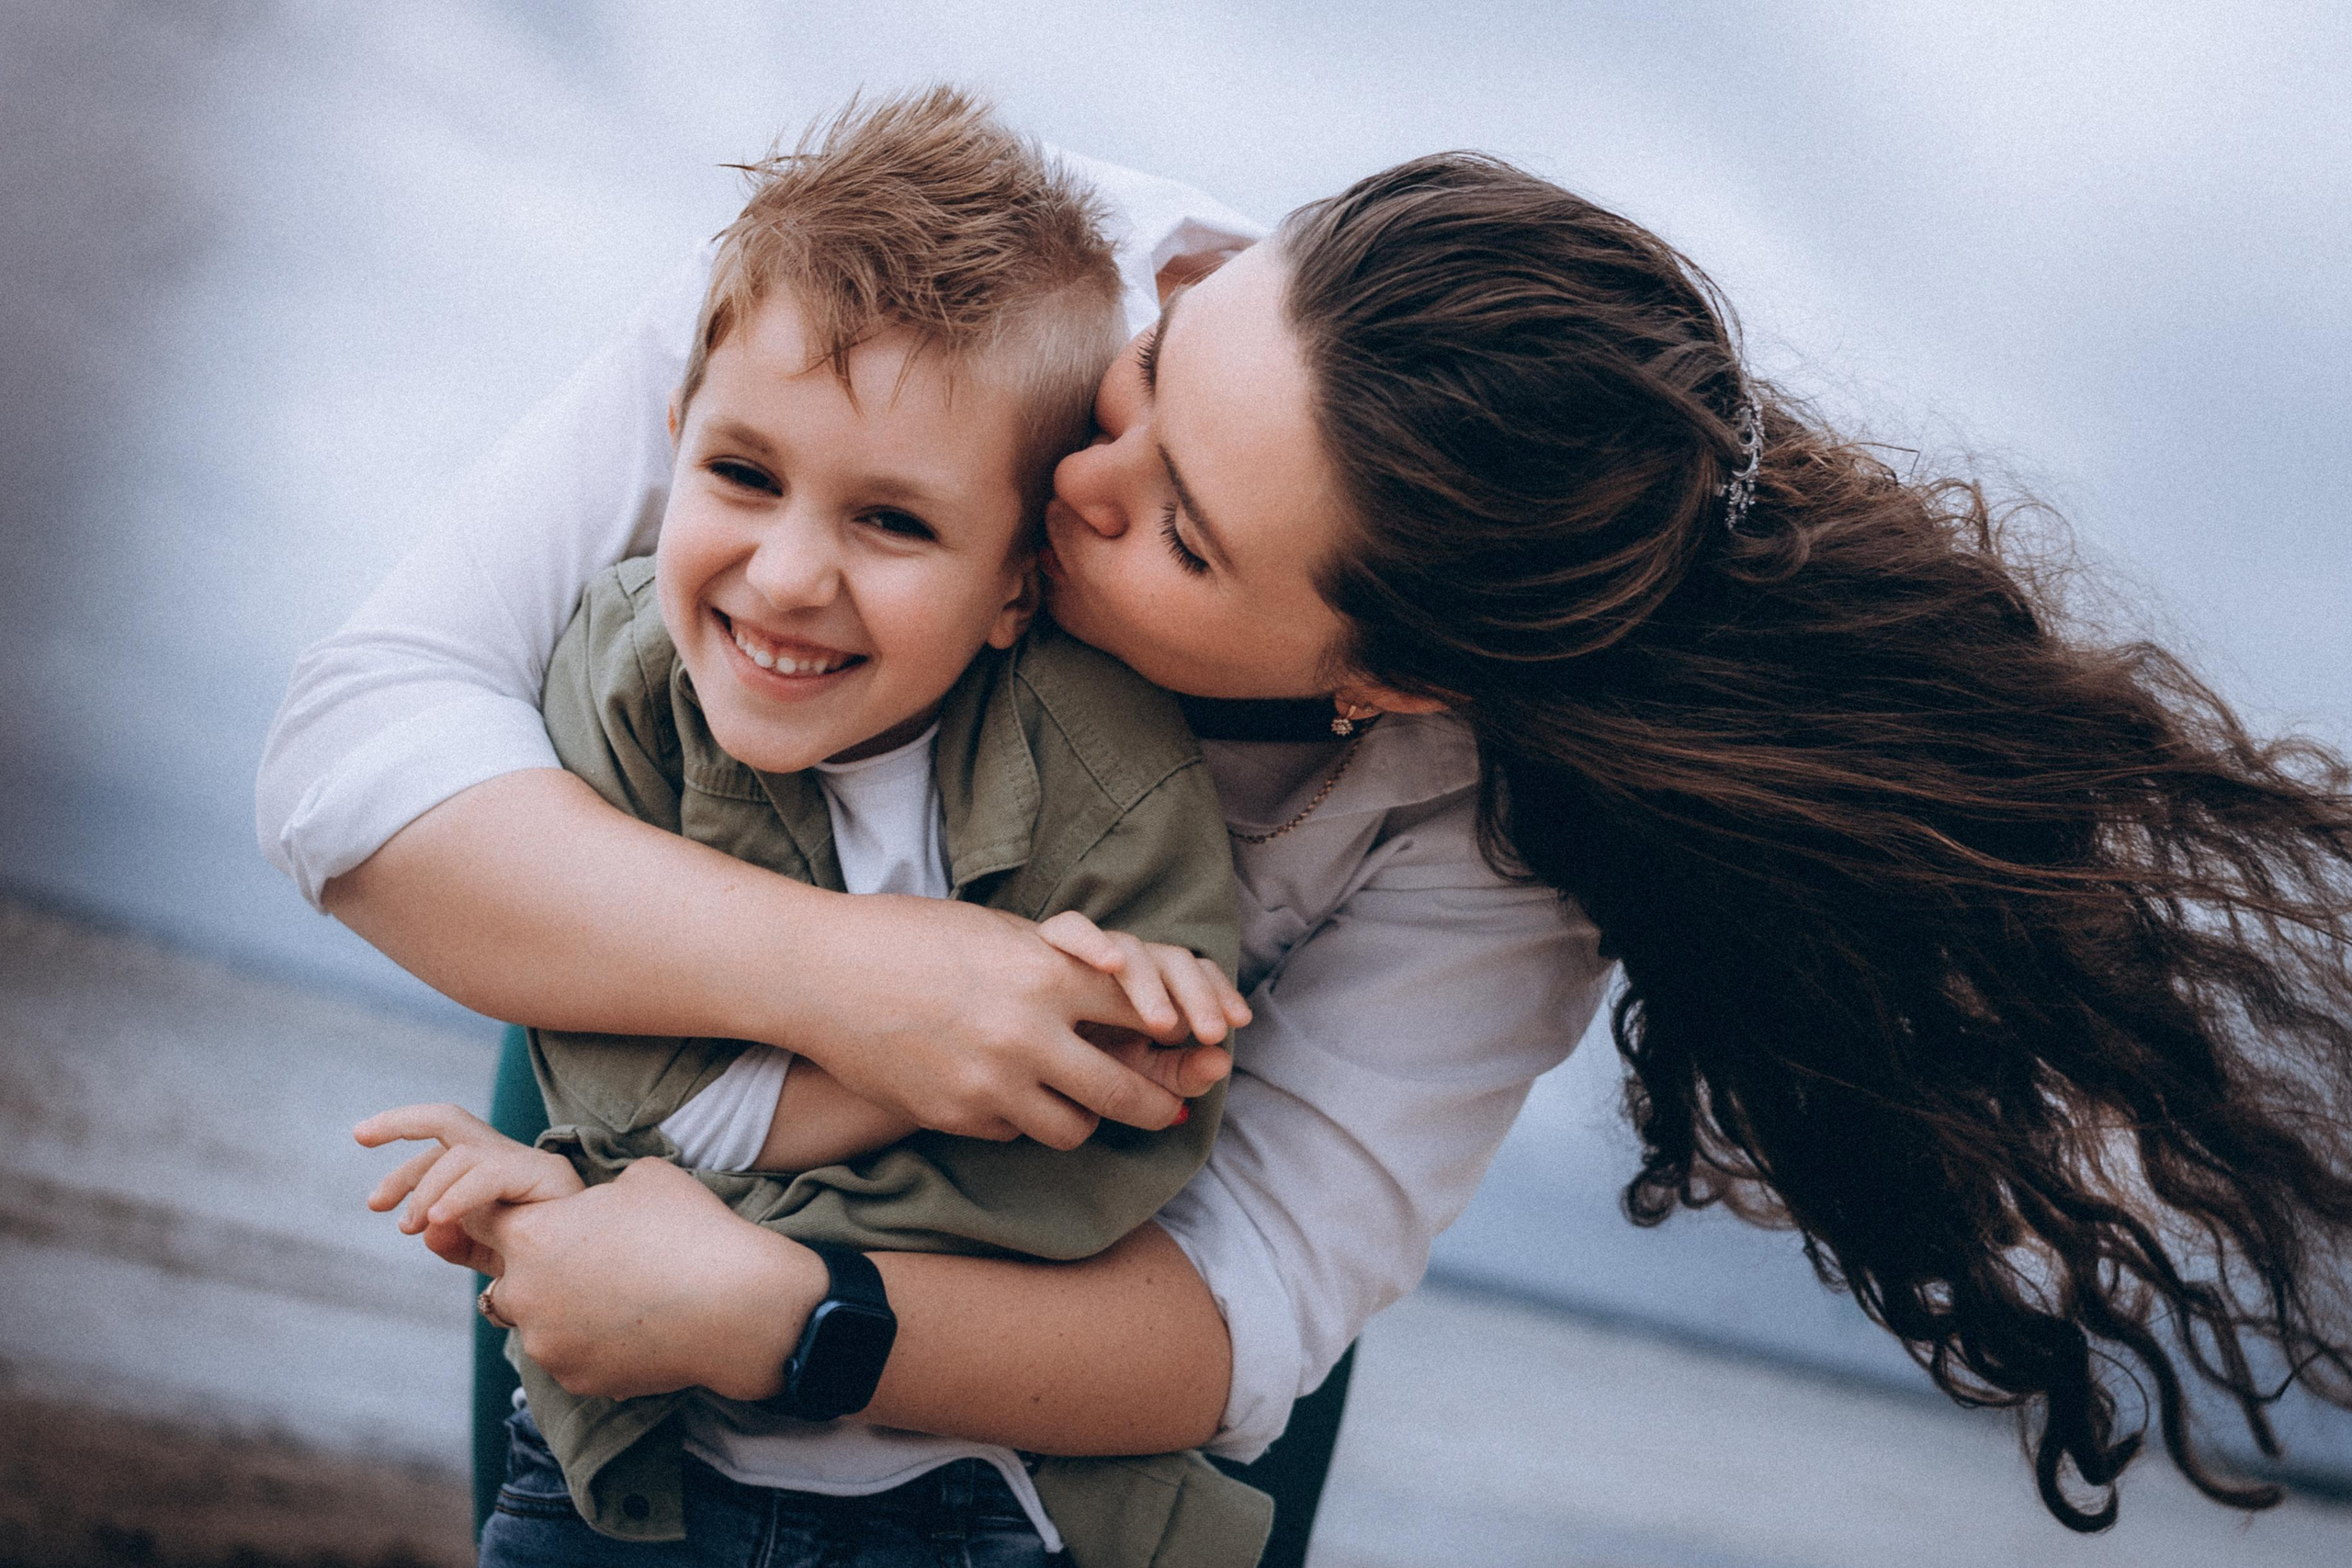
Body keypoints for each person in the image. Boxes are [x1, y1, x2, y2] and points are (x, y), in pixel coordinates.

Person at [263, 131, 2352, 1551]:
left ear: (1387, 685)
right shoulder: (955, 279)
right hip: (637, 1095)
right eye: (1163, 363)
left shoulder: (1485, 828)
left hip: (1067, 1389)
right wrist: (869, 987)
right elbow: (357, 759)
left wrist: (772, 1315)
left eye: (1180, 531)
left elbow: (1236, 1298)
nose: (1084, 461)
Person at [353, 90, 1278, 1567]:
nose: (787, 576)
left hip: (977, 1503)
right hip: (624, 1475)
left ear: (1016, 582)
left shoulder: (1111, 776)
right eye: (743, 475)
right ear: (676, 440)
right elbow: (620, 1090)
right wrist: (946, 1032)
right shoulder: (622, 692)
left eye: (894, 523)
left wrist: (688, 1209)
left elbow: (1123, 1138)